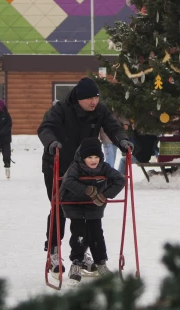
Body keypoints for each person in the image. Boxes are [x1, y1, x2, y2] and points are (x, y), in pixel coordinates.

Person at [37, 77, 131, 275]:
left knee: (88, 211)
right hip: (59, 164)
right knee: (60, 209)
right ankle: (53, 253)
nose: (93, 102)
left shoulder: (100, 110)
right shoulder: (61, 109)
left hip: (86, 168)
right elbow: (45, 128)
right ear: (79, 98)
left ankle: (83, 253)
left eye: (96, 97)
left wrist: (122, 141)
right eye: (89, 98)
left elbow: (113, 128)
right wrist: (52, 143)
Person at [59, 137, 126, 284]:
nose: (93, 160)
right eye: (90, 157)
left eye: (96, 157)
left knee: (96, 232)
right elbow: (68, 181)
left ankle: (100, 263)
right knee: (79, 233)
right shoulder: (75, 167)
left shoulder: (104, 167)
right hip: (73, 203)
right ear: (83, 157)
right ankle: (76, 263)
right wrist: (86, 190)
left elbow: (120, 179)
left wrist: (104, 195)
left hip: (95, 203)